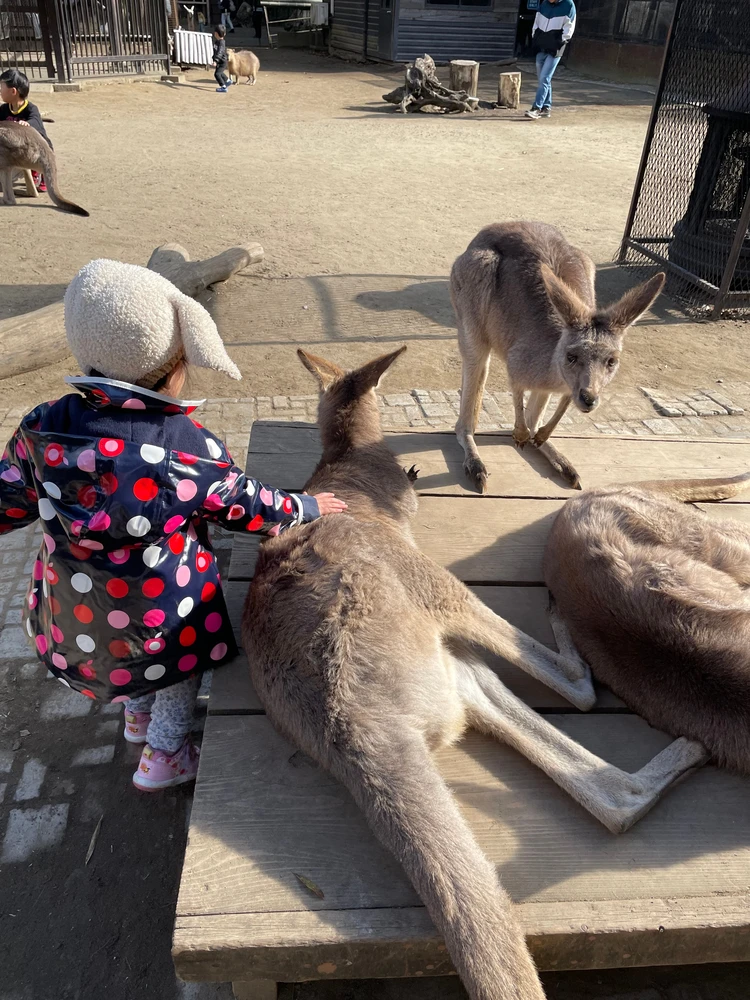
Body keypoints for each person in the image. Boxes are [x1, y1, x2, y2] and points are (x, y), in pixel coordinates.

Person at [0, 259, 348, 791]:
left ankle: (136, 717)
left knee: (126, 658)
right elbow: (246, 505)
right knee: (173, 672)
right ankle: (164, 756)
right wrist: (306, 508)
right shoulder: (188, 449)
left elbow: (8, 498)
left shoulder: (42, 427)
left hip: (78, 610)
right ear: (175, 364)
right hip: (166, 613)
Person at [0, 67, 52, 192]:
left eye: (1, 87)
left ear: (13, 91)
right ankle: (27, 176)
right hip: (16, 146)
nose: (0, 91)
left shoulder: (31, 108)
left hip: (36, 150)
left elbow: (36, 120)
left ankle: (41, 175)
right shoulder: (4, 109)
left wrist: (28, 123)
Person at [525, 0, 575, 120]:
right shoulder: (544, 4)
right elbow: (536, 22)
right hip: (542, 46)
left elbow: (570, 25)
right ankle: (546, 107)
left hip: (555, 49)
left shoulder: (568, 4)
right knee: (543, 79)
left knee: (544, 78)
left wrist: (560, 42)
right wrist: (535, 37)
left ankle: (536, 108)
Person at [212, 24, 231, 92]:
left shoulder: (221, 43)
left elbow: (220, 52)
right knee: (220, 73)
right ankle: (228, 81)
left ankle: (223, 87)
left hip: (222, 61)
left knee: (217, 74)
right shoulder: (218, 42)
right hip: (220, 61)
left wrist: (216, 60)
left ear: (216, 33)